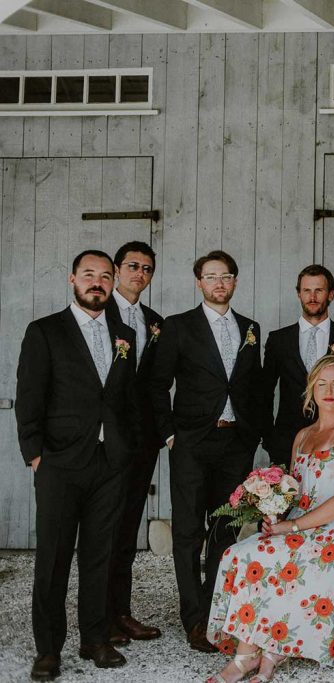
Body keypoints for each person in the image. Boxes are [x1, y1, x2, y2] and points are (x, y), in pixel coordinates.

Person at [16, 250, 141, 680]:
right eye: (89, 275)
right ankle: (49, 649)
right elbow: (29, 395)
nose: (98, 282)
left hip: (109, 463)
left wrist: (125, 450)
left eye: (106, 276)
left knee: (99, 555)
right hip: (60, 462)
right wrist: (35, 453)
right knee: (53, 558)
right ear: (72, 279)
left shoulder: (124, 333)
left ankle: (94, 639)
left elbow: (124, 399)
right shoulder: (45, 331)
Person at [206, 354, 334, 682]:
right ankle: (255, 652)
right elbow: (294, 490)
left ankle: (252, 657)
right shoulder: (303, 436)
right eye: (322, 384)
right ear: (311, 390)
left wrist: (291, 526)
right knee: (239, 554)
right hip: (299, 520)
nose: (329, 390)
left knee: (262, 557)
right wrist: (270, 508)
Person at [148, 250, 267, 653]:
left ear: (235, 282)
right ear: (199, 282)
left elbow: (254, 386)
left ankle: (217, 611)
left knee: (227, 530)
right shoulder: (178, 327)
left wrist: (253, 435)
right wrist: (168, 435)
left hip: (236, 443)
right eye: (211, 276)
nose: (219, 283)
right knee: (188, 532)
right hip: (192, 442)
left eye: (227, 276)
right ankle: (194, 618)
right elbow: (156, 383)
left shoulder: (251, 328)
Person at [104, 241, 165, 646]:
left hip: (142, 441)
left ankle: (119, 613)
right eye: (132, 266)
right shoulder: (95, 313)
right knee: (102, 529)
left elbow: (158, 383)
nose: (138, 274)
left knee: (126, 529)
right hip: (104, 439)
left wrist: (164, 430)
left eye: (146, 269)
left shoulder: (155, 321)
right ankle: (98, 617)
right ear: (116, 268)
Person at [262, 264, 334, 468]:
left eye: (319, 290)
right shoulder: (279, 339)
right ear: (299, 294)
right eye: (306, 290)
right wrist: (269, 438)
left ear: (331, 294)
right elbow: (264, 393)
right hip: (285, 441)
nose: (312, 297)